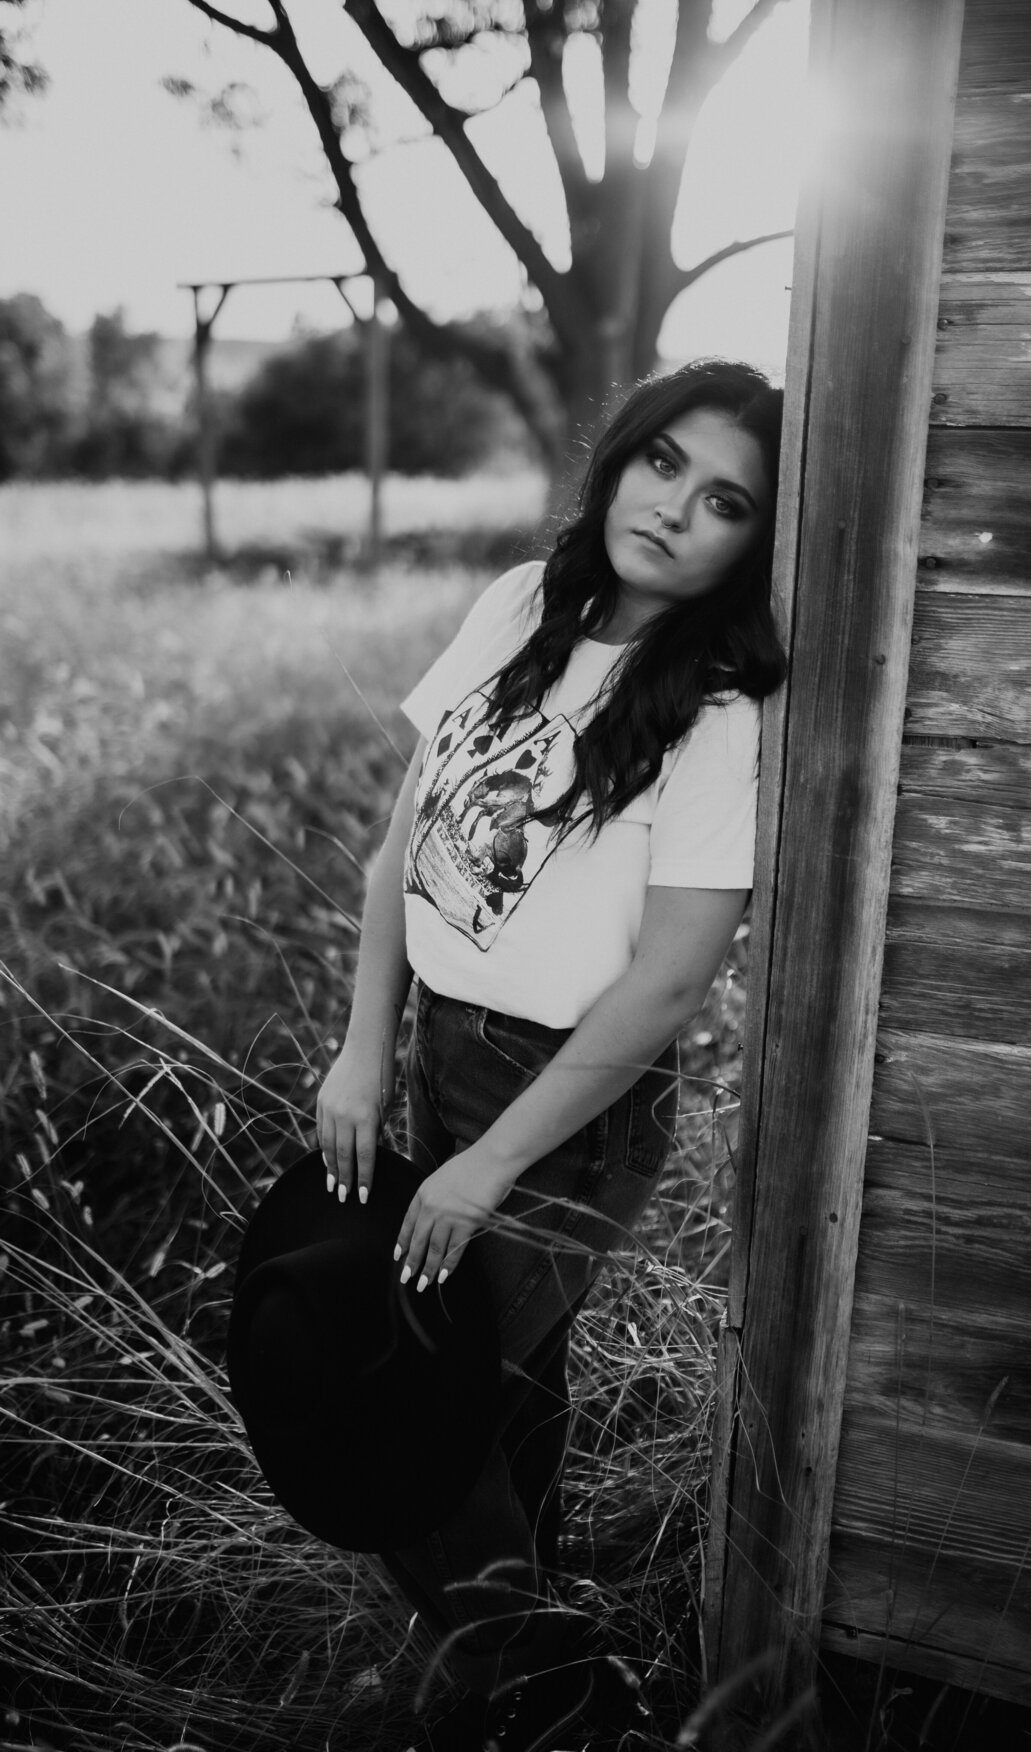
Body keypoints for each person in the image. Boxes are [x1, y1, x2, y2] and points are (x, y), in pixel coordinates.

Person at [315, 358, 787, 1751]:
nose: (675, 510)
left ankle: (568, 1699)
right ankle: (489, 1674)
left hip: (568, 1099)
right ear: (620, 458)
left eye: (725, 502)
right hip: (436, 1047)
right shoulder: (519, 606)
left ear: (754, 540)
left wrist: (482, 1165)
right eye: (663, 465)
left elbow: (668, 987)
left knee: (401, 1406)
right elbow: (407, 849)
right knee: (508, 1392)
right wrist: (361, 1049)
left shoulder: (714, 717)